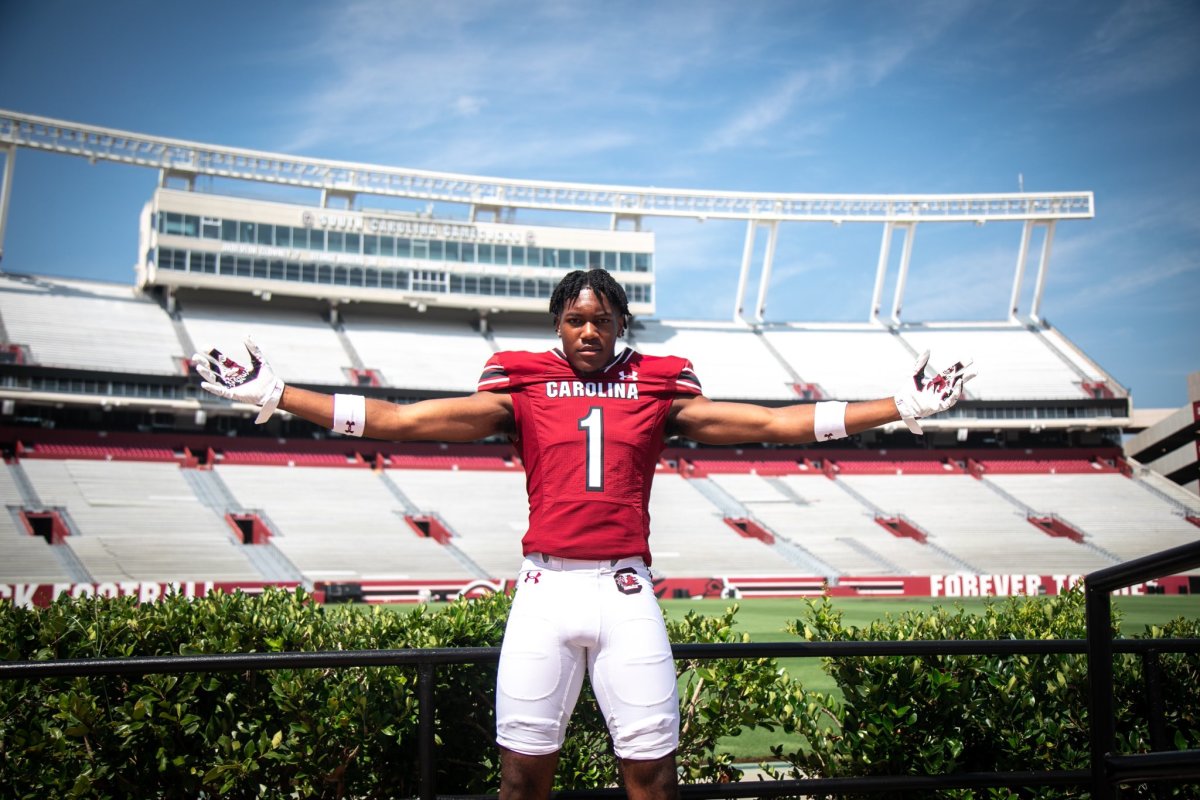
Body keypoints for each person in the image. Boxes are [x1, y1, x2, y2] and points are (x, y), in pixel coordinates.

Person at [193, 268, 975, 800]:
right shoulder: (521, 377)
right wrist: (276, 392)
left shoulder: (659, 380)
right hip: (543, 591)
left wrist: (895, 406)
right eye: (575, 319)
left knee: (653, 782)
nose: (588, 330)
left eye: (601, 318)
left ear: (622, 321)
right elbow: (400, 418)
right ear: (557, 324)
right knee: (521, 783)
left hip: (626, 591)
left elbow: (772, 422)